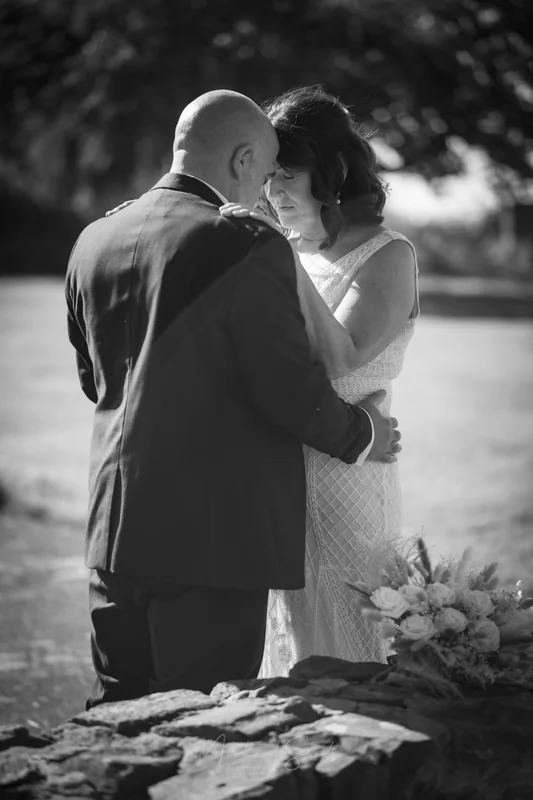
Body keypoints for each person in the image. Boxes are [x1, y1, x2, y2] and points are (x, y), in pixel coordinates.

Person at [65, 89, 400, 706]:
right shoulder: (244, 241)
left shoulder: (94, 237)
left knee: (116, 711)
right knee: (197, 720)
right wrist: (366, 433)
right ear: (245, 160)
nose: (268, 190)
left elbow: (98, 381)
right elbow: (287, 389)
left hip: (114, 533)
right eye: (268, 170)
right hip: (212, 541)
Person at [221, 86, 419, 675]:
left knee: (353, 627)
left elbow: (343, 356)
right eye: (267, 175)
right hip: (280, 473)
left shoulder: (389, 254)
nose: (272, 191)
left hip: (350, 478)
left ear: (331, 171)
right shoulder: (289, 250)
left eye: (289, 174)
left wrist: (277, 256)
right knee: (290, 629)